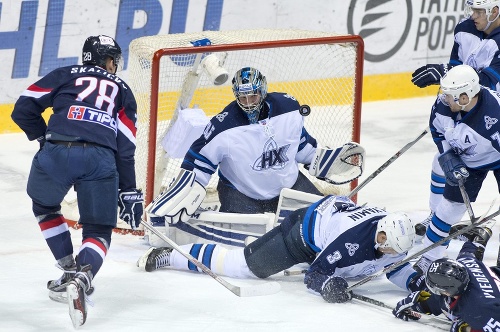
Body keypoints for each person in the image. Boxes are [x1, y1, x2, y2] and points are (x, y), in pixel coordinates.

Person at [11, 35, 143, 328]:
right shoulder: (122, 89)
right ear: (108, 61)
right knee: (98, 229)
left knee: (44, 205)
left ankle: (69, 269)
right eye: (114, 61)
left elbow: (22, 109)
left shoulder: (64, 74)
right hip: (100, 159)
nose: (114, 66)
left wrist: (44, 138)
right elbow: (126, 145)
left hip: (57, 151)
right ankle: (82, 279)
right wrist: (129, 189)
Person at [146, 67, 365, 236]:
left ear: (262, 92)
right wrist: (189, 187)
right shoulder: (224, 126)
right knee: (249, 242)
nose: (249, 104)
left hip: (289, 187)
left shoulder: (288, 109)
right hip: (242, 194)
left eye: (253, 97)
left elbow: (300, 146)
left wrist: (321, 160)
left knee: (323, 222)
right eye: (243, 98)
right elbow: (200, 159)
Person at [138, 195, 423, 303]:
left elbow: (394, 265)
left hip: (327, 220)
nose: (390, 253)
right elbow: (315, 275)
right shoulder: (351, 242)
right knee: (244, 266)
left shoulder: (390, 234)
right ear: (381, 235)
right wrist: (327, 286)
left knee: (348, 267)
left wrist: (417, 283)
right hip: (299, 237)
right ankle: (172, 256)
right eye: (387, 248)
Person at [411, 0, 500, 235]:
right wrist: (443, 109)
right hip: (464, 104)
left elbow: (489, 82)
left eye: (480, 11)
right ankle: (436, 216)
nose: (474, 16)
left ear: (495, 11)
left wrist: (444, 72)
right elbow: (455, 68)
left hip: (494, 115)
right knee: (442, 159)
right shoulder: (464, 28)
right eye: (473, 10)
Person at [413, 64, 496, 275]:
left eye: (450, 96)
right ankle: (429, 258)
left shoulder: (494, 119)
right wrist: (447, 154)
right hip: (469, 160)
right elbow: (436, 129)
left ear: (465, 97)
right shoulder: (444, 104)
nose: (444, 98)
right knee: (449, 209)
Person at [392, 241, 500, 331]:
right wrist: (418, 304)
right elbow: (469, 248)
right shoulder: (465, 262)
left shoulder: (479, 309)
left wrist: (470, 329)